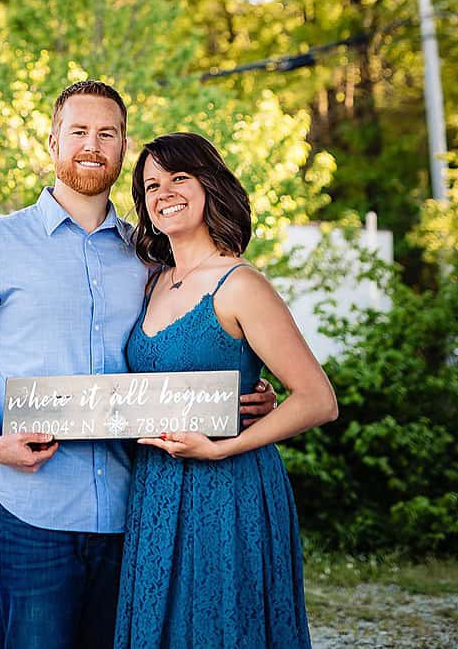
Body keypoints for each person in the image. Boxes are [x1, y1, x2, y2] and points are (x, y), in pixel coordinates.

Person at [0, 81, 275, 649]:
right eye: (79, 131)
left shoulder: (150, 256)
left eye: (107, 133)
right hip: (31, 507)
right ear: (53, 142)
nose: (93, 144)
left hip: (131, 510)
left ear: (122, 148)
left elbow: (184, 344)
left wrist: (240, 390)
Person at [114, 132, 335, 649]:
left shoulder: (239, 284)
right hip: (155, 487)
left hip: (226, 485)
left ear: (209, 185)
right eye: (151, 185)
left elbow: (318, 399)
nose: (164, 191)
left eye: (178, 178)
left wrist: (222, 447)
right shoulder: (151, 281)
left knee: (219, 625)